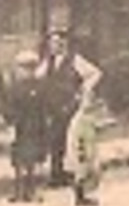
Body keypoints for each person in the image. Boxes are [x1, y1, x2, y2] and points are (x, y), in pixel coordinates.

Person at [39, 29, 101, 188]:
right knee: (55, 140)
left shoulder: (75, 60)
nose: (54, 46)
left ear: (64, 43)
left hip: (69, 104)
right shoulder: (49, 62)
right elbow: (38, 76)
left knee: (71, 140)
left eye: (58, 42)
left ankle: (74, 174)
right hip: (53, 106)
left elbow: (95, 73)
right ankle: (56, 174)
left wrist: (83, 89)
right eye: (52, 43)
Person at [2, 50, 49, 203]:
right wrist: (10, 122)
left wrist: (45, 123)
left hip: (36, 127)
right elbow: (8, 107)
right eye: (24, 68)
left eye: (31, 68)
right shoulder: (14, 88)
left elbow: (44, 107)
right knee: (19, 160)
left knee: (35, 160)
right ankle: (19, 191)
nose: (27, 72)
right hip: (19, 127)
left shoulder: (41, 87)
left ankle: (34, 190)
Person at [69, 85, 102, 206]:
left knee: (87, 169)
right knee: (81, 170)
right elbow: (79, 135)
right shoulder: (80, 119)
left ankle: (85, 195)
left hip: (88, 143)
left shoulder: (87, 117)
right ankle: (80, 197)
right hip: (82, 144)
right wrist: (81, 149)